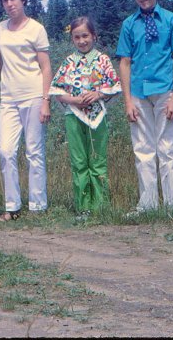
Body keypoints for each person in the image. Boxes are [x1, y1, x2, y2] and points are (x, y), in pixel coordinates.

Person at [0, 0, 52, 220]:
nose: (9, 3)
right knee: (6, 151)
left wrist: (46, 99)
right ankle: (12, 207)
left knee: (34, 152)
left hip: (33, 96)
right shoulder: (1, 29)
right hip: (8, 99)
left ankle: (38, 206)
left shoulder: (36, 29)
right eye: (5, 0)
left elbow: (46, 67)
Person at [116, 0, 173, 214]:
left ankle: (172, 206)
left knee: (168, 149)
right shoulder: (129, 24)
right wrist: (127, 101)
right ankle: (147, 205)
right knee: (143, 150)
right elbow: (124, 62)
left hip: (165, 90)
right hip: (138, 92)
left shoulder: (171, 20)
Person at [49, 16, 121, 217]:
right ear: (72, 39)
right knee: (79, 161)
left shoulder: (103, 60)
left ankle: (100, 207)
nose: (82, 41)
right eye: (77, 37)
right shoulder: (69, 63)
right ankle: (83, 207)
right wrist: (73, 100)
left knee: (97, 160)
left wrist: (97, 94)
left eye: (85, 36)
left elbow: (115, 86)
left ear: (94, 36)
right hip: (74, 116)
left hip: (97, 117)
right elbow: (55, 90)